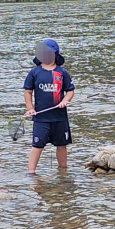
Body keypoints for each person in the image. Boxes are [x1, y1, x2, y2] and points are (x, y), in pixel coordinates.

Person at [23, 38, 75, 174]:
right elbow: (28, 91)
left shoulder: (62, 73)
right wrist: (30, 108)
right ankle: (31, 172)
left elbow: (70, 90)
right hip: (41, 118)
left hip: (59, 118)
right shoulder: (34, 73)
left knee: (61, 145)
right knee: (37, 145)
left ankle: (63, 171)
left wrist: (66, 100)